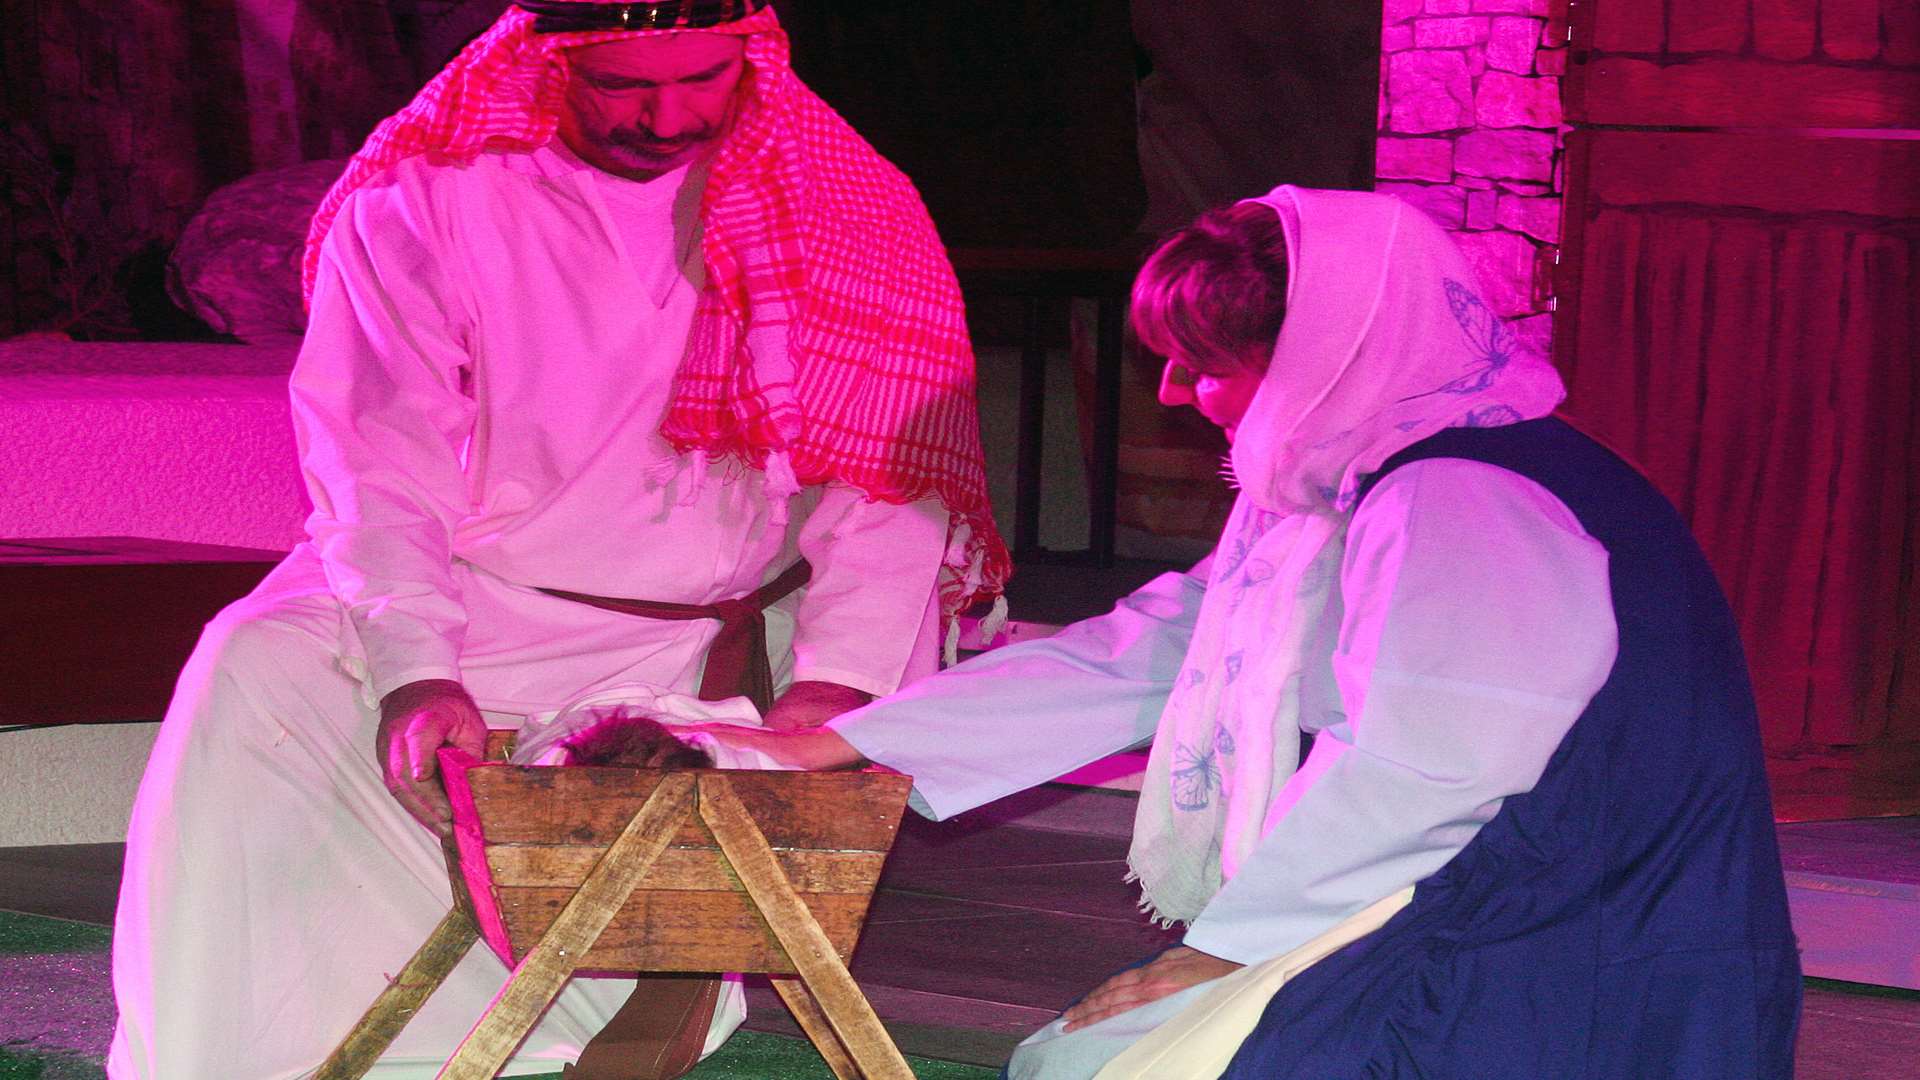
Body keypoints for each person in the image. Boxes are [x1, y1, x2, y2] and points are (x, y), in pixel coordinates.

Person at [706, 185, 1802, 1077]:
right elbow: (1155, 649)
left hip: (1562, 953)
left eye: (1210, 365)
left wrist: (1223, 951)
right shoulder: (1361, 486)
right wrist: (859, 740)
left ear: (1331, 356)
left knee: (1112, 1069)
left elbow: (1426, 769)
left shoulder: (1466, 501)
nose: (1178, 394)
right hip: (1479, 914)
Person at [106, 2, 1007, 1078]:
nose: (669, 118)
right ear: (548, 64)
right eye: (625, 87)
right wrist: (415, 671)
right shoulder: (426, 204)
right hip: (472, 594)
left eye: (704, 80)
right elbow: (378, 460)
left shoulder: (849, 207)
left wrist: (838, 681)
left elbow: (888, 475)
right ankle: (228, 1060)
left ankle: (571, 1036)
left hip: (706, 631)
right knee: (253, 666)